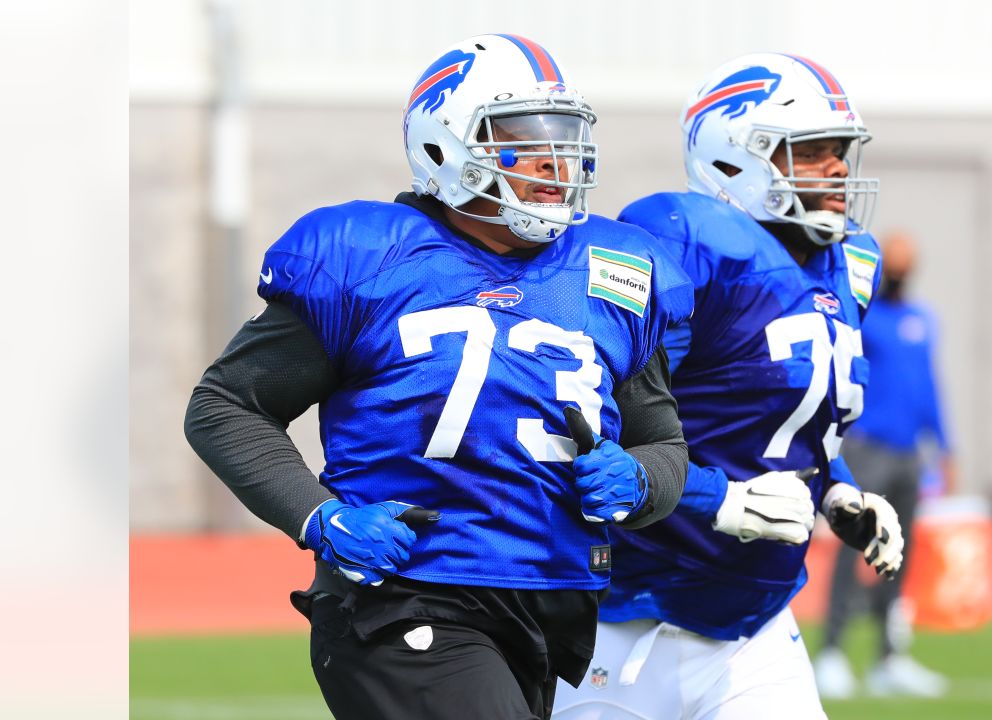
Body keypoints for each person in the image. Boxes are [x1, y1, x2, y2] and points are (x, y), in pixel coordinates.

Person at [183, 34, 694, 720]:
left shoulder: (617, 271)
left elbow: (663, 442)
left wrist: (640, 482)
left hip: (549, 601)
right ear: (444, 147)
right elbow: (226, 405)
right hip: (404, 596)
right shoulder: (369, 256)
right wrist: (320, 515)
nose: (554, 159)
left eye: (563, 137)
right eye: (520, 137)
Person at [552, 53, 904, 719]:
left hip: (753, 623)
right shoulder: (687, 239)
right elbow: (602, 425)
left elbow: (788, 426)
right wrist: (721, 497)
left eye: (840, 150)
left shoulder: (848, 267)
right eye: (812, 149)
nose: (836, 168)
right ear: (735, 159)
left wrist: (837, 489)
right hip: (621, 620)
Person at [812, 230, 954, 699]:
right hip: (868, 448)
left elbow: (929, 386)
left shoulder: (922, 319)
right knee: (853, 548)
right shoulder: (865, 320)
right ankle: (831, 651)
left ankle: (889, 657)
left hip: (910, 452)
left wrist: (945, 446)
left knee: (899, 553)